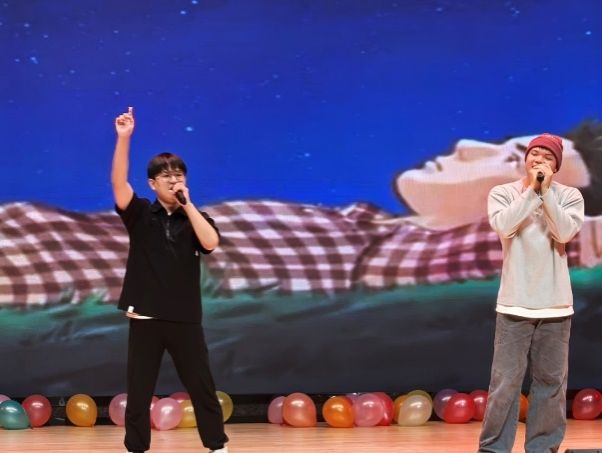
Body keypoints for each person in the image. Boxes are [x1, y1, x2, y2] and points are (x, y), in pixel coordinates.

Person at [111, 107, 229, 453]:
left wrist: (188, 205)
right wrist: (124, 138)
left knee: (201, 386)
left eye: (179, 175)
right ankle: (136, 447)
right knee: (139, 390)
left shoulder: (194, 217)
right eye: (167, 177)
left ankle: (217, 445)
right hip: (145, 315)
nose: (174, 181)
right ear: (152, 183)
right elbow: (118, 183)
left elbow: (211, 243)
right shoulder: (140, 214)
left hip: (184, 316)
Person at [477, 133, 584, 453]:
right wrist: (532, 192)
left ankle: (543, 448)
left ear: (556, 166)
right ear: (526, 159)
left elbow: (564, 232)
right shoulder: (503, 193)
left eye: (548, 157)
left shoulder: (570, 196)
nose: (539, 160)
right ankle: (494, 449)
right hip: (515, 303)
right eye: (535, 154)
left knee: (551, 384)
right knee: (504, 384)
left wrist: (546, 193)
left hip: (556, 305)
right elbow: (505, 226)